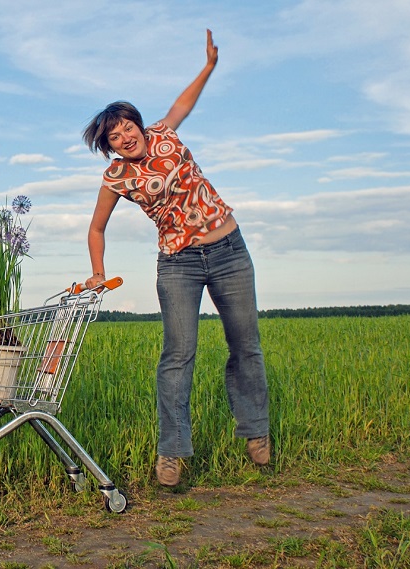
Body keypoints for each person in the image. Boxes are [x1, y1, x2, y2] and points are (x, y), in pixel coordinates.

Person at [82, 29, 270, 487]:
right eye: (114, 134)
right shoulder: (115, 178)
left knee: (244, 345)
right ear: (108, 146)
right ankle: (172, 453)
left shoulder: (165, 134)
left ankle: (256, 432)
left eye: (127, 125)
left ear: (137, 123)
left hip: (229, 251)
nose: (124, 135)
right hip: (178, 263)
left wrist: (207, 67)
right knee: (178, 354)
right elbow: (96, 227)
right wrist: (98, 274)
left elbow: (184, 102)